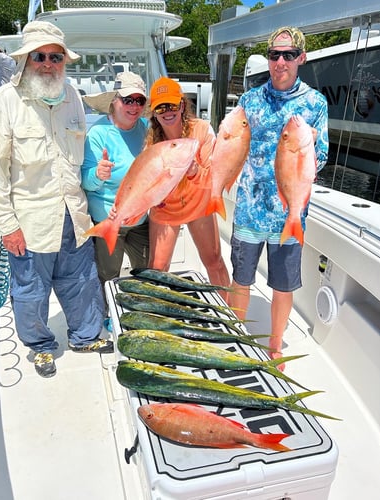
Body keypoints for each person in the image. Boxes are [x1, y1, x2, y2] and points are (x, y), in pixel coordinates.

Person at [0, 20, 112, 379]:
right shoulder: (4, 103)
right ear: (26, 59)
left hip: (74, 214)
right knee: (29, 293)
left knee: (82, 282)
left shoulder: (72, 96)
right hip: (30, 221)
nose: (48, 63)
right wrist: (7, 226)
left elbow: (81, 157)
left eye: (56, 57)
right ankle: (40, 346)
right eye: (40, 56)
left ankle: (85, 337)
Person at [229, 26, 329, 368]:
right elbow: (232, 146)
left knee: (283, 285)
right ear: (268, 59)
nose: (280, 61)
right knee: (240, 277)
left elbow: (323, 158)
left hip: (291, 212)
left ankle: (275, 346)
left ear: (300, 58)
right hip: (248, 209)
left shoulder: (315, 103)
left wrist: (312, 143)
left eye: (288, 55)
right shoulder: (249, 100)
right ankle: (236, 338)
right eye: (274, 55)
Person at [146, 77, 231, 301]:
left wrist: (194, 171)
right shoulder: (151, 141)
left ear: (182, 105)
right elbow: (150, 182)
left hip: (198, 203)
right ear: (154, 112)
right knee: (157, 266)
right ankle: (154, 317)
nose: (167, 111)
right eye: (160, 107)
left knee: (213, 260)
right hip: (166, 209)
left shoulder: (202, 130)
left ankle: (230, 312)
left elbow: (213, 175)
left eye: (172, 105)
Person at [81, 72, 149, 295]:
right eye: (128, 100)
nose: (134, 106)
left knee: (147, 271)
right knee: (108, 276)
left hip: (140, 219)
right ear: (114, 101)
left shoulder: (147, 129)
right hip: (109, 220)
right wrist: (98, 174)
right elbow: (87, 184)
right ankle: (108, 314)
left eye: (139, 100)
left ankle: (139, 312)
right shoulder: (97, 133)